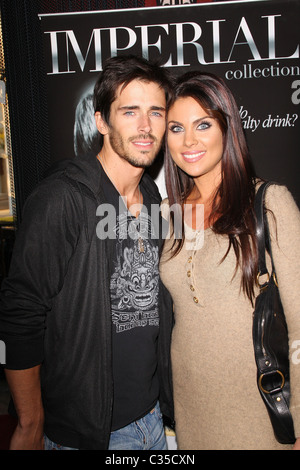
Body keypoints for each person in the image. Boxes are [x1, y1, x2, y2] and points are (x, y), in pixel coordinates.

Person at [0, 55, 174, 450]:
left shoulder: (150, 195)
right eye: (130, 112)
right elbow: (19, 312)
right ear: (101, 122)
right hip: (89, 435)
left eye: (156, 112)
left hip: (151, 420)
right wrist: (30, 421)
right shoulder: (63, 197)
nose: (146, 127)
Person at [159, 70, 300, 450]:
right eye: (175, 128)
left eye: (203, 124)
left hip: (259, 408)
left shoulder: (270, 204)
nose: (188, 140)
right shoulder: (168, 214)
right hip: (191, 407)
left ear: (227, 126)